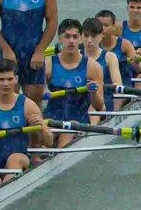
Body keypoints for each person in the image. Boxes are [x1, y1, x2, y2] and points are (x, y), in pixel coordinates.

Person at [0, 57, 42, 177]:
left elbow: (49, 141)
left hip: (20, 157)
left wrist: (41, 128)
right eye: (1, 79)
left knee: (14, 159)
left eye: (10, 79)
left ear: (16, 79)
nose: (6, 84)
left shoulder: (28, 105)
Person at [41, 18, 104, 146]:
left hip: (78, 120)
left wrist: (93, 93)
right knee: (38, 134)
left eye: (75, 37)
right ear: (59, 38)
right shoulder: (47, 64)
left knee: (68, 131)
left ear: (80, 39)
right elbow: (36, 95)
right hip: (52, 118)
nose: (71, 41)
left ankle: (58, 153)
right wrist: (43, 91)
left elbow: (99, 107)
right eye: (67, 36)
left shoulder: (93, 67)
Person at [79, 18, 125, 114]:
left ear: (101, 36)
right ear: (81, 36)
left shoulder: (109, 57)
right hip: (79, 101)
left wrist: (98, 86)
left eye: (94, 36)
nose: (89, 41)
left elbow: (118, 84)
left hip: (103, 100)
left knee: (92, 108)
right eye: (86, 36)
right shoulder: (76, 56)